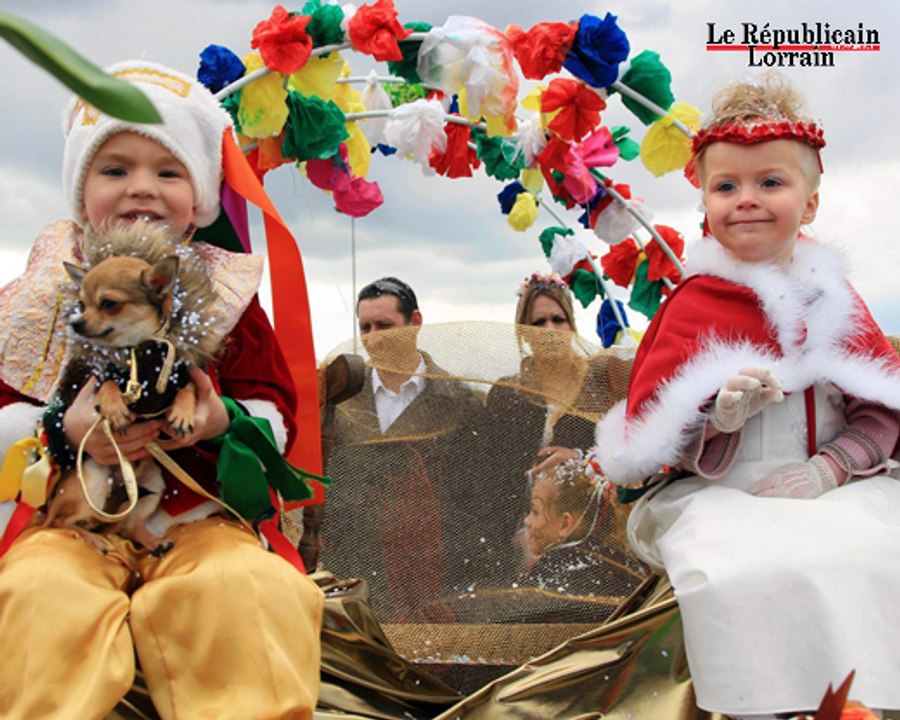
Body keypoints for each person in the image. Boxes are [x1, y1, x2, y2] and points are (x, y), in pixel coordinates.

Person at [0, 61, 323, 719]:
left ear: (199, 193)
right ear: (80, 187)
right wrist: (63, 427)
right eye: (115, 169)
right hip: (72, 525)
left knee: (242, 591)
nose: (141, 188)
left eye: (167, 171)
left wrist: (217, 419)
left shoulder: (228, 295)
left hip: (196, 522)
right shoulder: (35, 297)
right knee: (39, 593)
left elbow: (272, 409)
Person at [593, 72, 900, 718]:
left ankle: (860, 703)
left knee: (877, 551)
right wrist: (717, 418)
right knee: (736, 569)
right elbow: (650, 444)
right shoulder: (692, 305)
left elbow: (882, 409)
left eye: (771, 183)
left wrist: (829, 467)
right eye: (726, 186)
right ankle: (751, 707)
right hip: (720, 498)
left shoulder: (837, 303)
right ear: (704, 200)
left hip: (832, 493)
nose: (747, 200)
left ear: (810, 203)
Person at [321, 277, 482, 622]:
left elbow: (472, 497)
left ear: (416, 323)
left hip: (430, 576)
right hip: (352, 574)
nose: (373, 338)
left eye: (385, 325)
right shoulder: (341, 395)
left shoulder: (460, 401)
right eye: (365, 327)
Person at [468, 273, 632, 585]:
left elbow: (633, 451)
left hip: (592, 542)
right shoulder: (506, 392)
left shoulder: (603, 381)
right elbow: (488, 477)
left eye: (558, 320)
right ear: (524, 332)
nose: (550, 331)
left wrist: (583, 460)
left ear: (572, 325)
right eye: (538, 323)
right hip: (516, 539)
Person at [518, 458, 647, 599]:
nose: (527, 520)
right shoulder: (624, 564)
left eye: (535, 511)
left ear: (565, 524)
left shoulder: (552, 567)